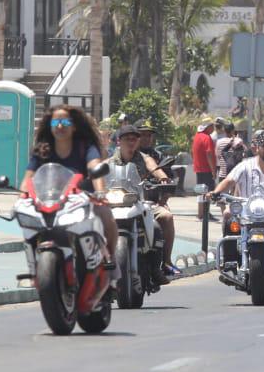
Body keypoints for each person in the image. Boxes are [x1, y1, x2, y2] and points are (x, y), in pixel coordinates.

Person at [22, 105, 117, 257]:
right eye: (55, 123)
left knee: (106, 216)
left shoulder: (85, 147)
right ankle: (34, 268)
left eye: (65, 123)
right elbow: (29, 178)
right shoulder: (42, 149)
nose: (60, 126)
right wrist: (23, 196)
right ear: (50, 126)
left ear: (74, 126)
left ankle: (111, 261)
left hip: (83, 200)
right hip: (49, 202)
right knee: (29, 227)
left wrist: (100, 192)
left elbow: (95, 168)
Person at [109, 124, 178, 283]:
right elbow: (99, 175)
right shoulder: (110, 161)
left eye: (134, 139)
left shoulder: (144, 157)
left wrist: (163, 178)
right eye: (127, 139)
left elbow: (154, 167)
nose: (131, 142)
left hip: (141, 203)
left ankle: (163, 264)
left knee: (165, 217)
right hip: (115, 205)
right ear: (119, 141)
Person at [191, 117, 216, 220]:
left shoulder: (197, 137)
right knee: (208, 192)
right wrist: (213, 170)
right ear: (208, 127)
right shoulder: (207, 137)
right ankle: (205, 212)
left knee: (201, 192)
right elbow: (209, 154)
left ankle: (200, 213)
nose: (213, 128)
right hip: (206, 170)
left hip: (199, 169)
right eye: (212, 126)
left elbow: (192, 152)